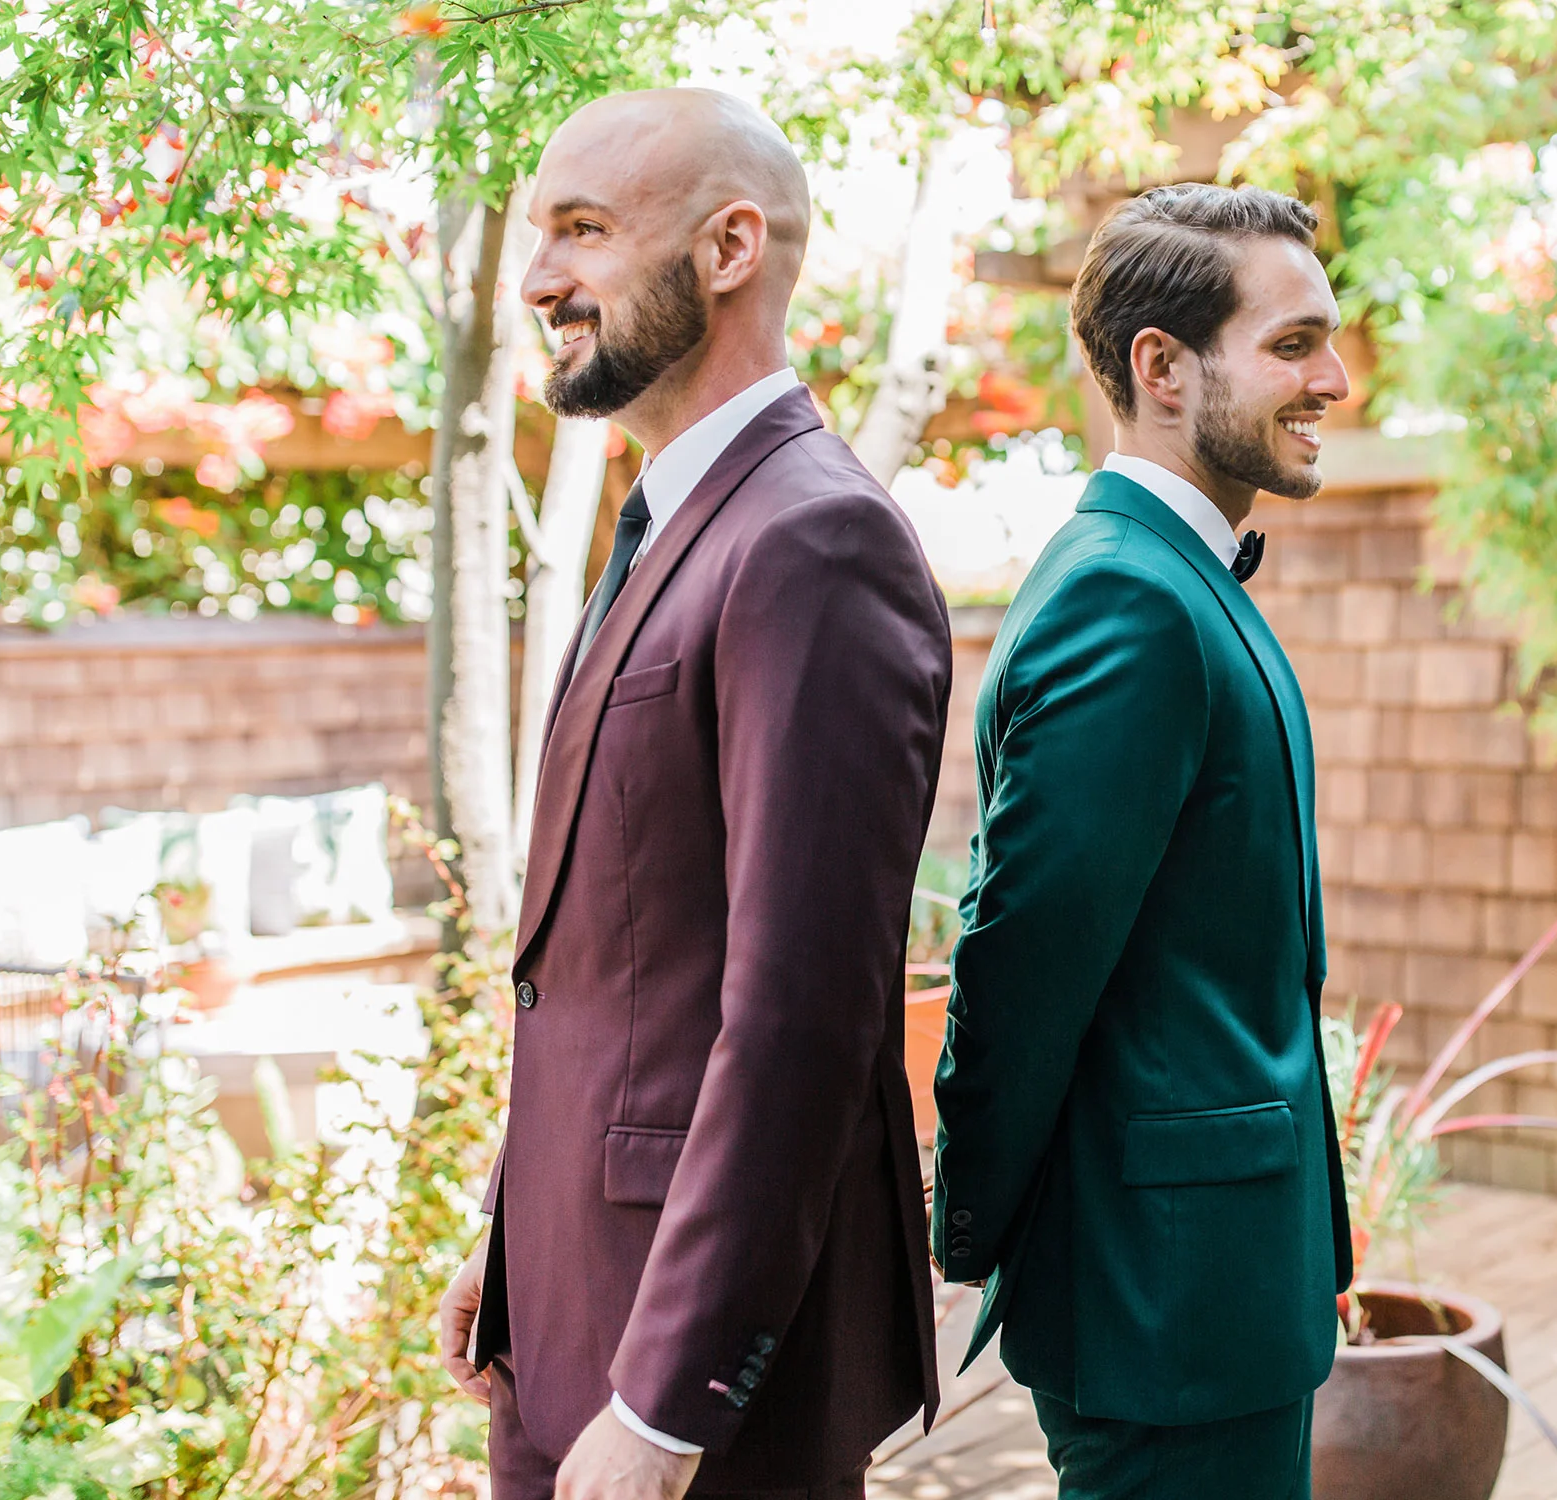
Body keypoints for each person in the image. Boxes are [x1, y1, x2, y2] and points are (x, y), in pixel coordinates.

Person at [436, 89, 951, 1500]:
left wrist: (670, 1400)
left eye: (585, 231)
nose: (540, 277)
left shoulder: (815, 540)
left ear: (731, 248)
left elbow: (802, 1010)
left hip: (698, 1377)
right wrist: (509, 1244)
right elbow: (617, 961)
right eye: (541, 235)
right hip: (568, 1305)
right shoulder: (666, 519)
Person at [929, 182, 1354, 1500]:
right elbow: (1026, 959)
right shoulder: (1124, 595)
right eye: (1291, 345)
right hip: (1158, 1301)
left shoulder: (1173, 576)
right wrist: (973, 1232)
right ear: (1159, 368)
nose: (1333, 378)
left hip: (1218, 1285)